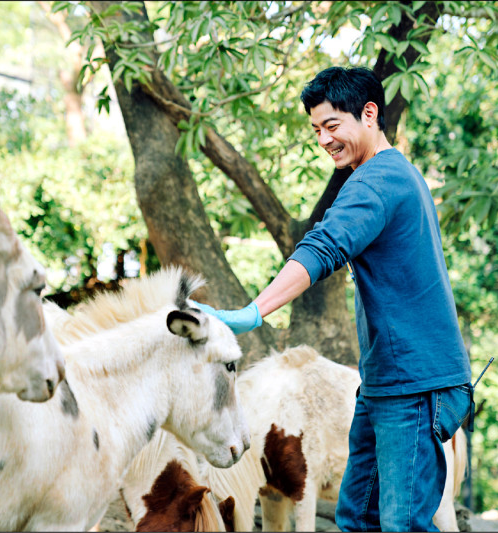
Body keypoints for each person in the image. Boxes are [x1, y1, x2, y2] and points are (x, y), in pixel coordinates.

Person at [193, 66, 472, 532]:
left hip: (416, 385)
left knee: (402, 524)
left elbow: (323, 247)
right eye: (316, 129)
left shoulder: (377, 181)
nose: (323, 139)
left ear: (368, 114)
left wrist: (252, 313)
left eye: (332, 125)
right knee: (358, 517)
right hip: (386, 382)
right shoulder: (393, 173)